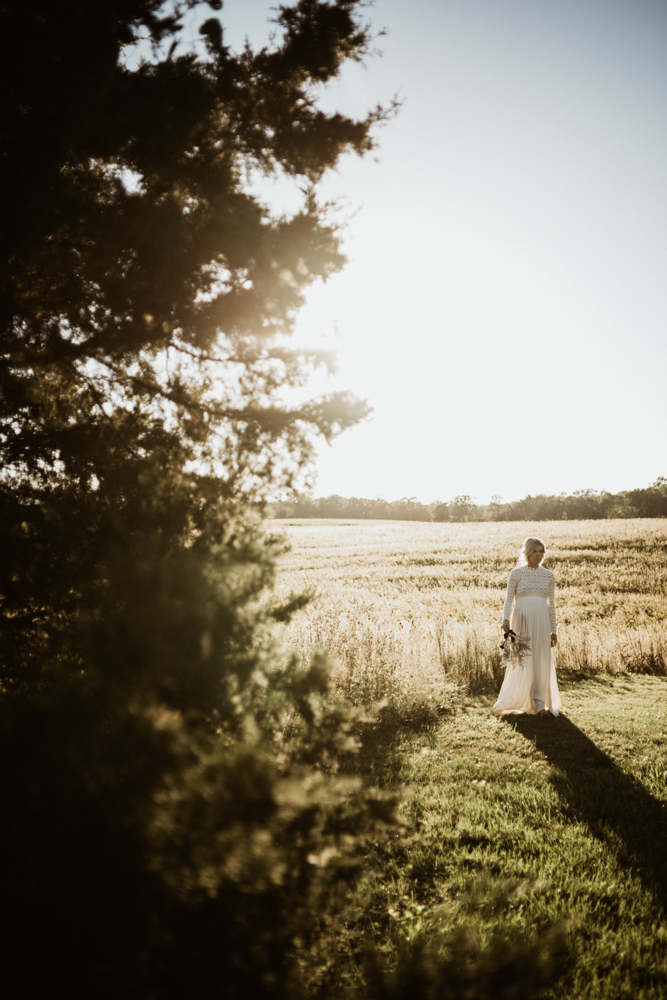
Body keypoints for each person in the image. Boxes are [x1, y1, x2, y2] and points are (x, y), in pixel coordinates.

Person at [493, 537, 561, 718]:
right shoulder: (516, 573)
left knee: (540, 659)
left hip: (542, 621)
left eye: (541, 551)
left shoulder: (548, 575)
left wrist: (554, 630)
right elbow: (509, 599)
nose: (538, 555)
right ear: (527, 552)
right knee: (522, 659)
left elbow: (551, 604)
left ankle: (539, 704)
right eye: (535, 551)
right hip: (521, 619)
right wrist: (505, 619)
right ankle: (516, 699)